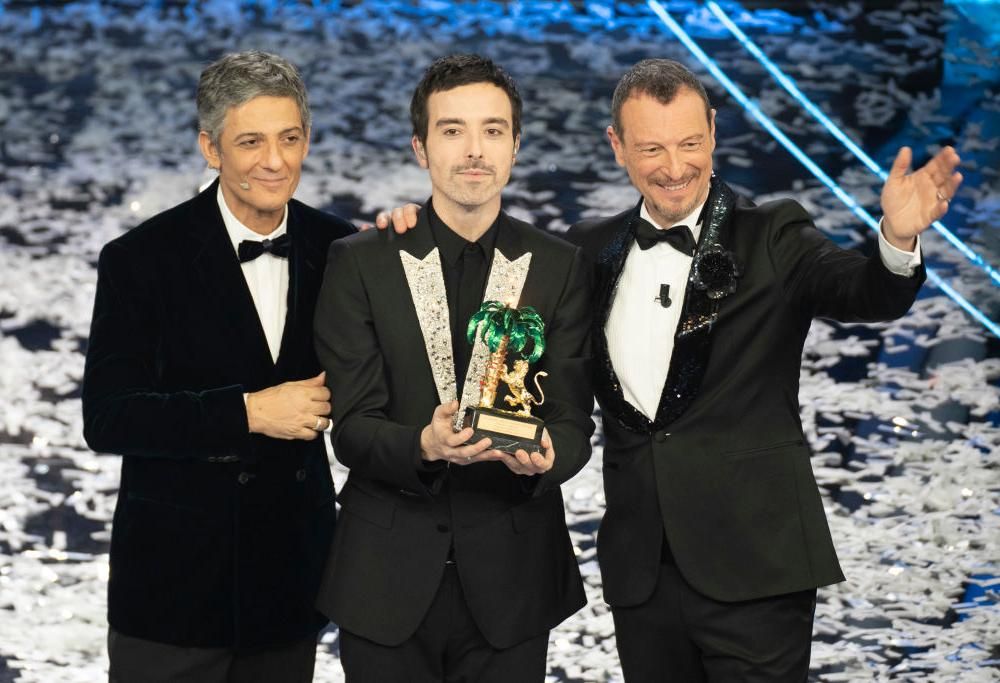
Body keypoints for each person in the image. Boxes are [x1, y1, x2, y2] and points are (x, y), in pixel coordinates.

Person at [381, 58, 961, 681]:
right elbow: (501, 318)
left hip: (758, 567)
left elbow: (861, 291)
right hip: (643, 574)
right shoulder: (586, 248)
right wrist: (415, 230)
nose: (675, 167)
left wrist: (896, 243)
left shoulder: (773, 234)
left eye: (689, 143)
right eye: (652, 148)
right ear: (617, 147)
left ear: (713, 132)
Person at [313, 54, 594, 682]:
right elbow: (351, 429)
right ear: (421, 148)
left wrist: (550, 455)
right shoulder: (362, 261)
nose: (474, 150)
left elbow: (574, 420)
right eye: (452, 130)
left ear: (515, 146)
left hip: (515, 583)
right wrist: (423, 444)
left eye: (493, 130)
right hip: (383, 580)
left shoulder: (561, 266)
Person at [82, 50, 355, 682]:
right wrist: (247, 412)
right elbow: (109, 417)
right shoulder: (139, 259)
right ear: (211, 148)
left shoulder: (339, 246)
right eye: (251, 142)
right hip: (173, 591)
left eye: (290, 138)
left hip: (289, 585)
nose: (275, 161)